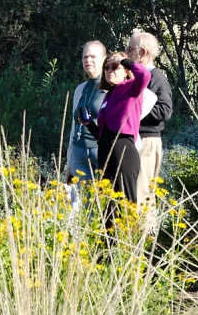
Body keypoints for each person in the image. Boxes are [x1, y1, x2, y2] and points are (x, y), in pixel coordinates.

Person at [82, 52, 150, 205]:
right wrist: (89, 124)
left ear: (126, 72)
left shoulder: (132, 87)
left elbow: (145, 75)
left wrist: (125, 61)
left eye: (114, 67)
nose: (109, 71)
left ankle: (129, 229)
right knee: (108, 204)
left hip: (122, 149)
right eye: (106, 67)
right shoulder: (109, 94)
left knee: (125, 203)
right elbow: (102, 135)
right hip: (106, 149)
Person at [127, 30, 173, 211]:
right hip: (133, 140)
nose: (127, 52)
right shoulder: (133, 77)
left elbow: (165, 111)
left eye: (129, 48)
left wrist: (134, 109)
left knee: (142, 195)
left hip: (147, 141)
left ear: (143, 53)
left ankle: (145, 237)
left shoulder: (157, 78)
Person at [66, 40, 107, 187]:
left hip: (102, 152)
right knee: (84, 203)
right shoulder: (80, 89)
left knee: (106, 200)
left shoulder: (113, 86)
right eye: (85, 57)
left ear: (104, 59)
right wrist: (69, 163)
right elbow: (74, 126)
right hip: (79, 152)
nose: (88, 60)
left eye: (93, 57)